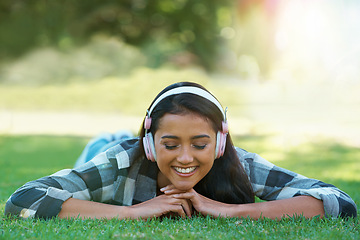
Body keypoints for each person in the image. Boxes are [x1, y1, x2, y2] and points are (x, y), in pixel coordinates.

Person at [4, 82, 357, 220]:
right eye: (170, 145)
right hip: (104, 153)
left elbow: (340, 203)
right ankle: (105, 138)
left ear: (219, 142)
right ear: (149, 142)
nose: (186, 158)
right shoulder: (120, 162)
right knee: (100, 147)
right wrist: (139, 211)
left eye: (200, 144)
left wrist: (227, 211)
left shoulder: (240, 163)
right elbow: (23, 200)